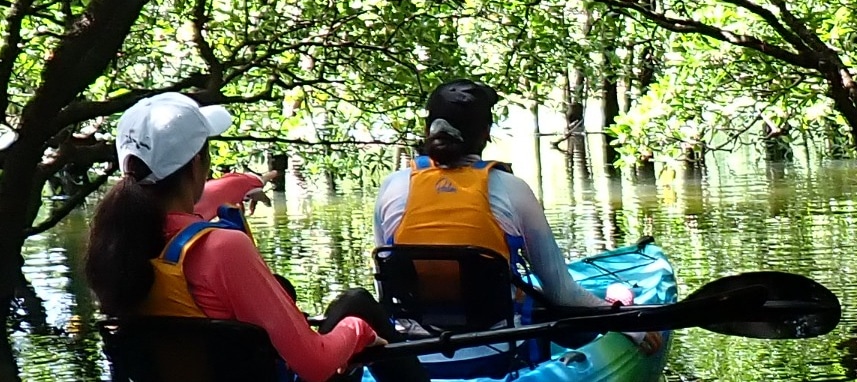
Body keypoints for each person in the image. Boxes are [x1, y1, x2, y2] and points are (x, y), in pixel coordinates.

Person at [88, 92, 421, 382]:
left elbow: (207, 196)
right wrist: (358, 331)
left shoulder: (115, 243)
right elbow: (315, 366)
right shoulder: (222, 248)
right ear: (196, 164)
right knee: (356, 305)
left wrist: (245, 183)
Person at [373, 80, 613, 378]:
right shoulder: (512, 190)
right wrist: (627, 323)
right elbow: (563, 295)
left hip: (415, 362)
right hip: (500, 358)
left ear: (428, 129)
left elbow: (387, 291)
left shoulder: (391, 187)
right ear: (486, 133)